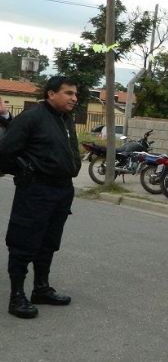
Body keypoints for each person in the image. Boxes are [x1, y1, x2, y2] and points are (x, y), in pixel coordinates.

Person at [0, 76, 81, 319]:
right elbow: (5, 152)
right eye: (68, 93)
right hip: (36, 191)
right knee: (24, 243)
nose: (74, 98)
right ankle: (17, 296)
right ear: (51, 94)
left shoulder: (66, 120)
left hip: (62, 190)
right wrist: (23, 171)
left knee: (48, 242)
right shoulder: (31, 118)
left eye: (75, 94)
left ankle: (41, 289)